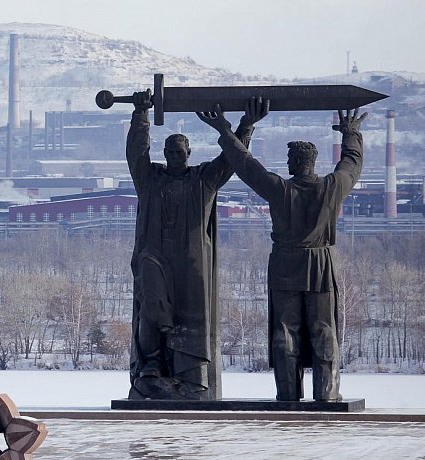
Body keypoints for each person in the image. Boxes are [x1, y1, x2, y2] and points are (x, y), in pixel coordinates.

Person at [198, 101, 367, 402]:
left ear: (297, 161)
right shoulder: (331, 187)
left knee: (285, 329)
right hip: (318, 263)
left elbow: (245, 164)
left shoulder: (280, 189)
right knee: (323, 328)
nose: (287, 163)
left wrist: (227, 129)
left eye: (290, 158)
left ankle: (288, 393)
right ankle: (326, 393)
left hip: (286, 263)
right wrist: (351, 134)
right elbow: (351, 164)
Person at [127, 92, 266, 400]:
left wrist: (244, 127)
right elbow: (135, 154)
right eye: (171, 151)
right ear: (163, 153)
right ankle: (150, 368)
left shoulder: (203, 179)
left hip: (190, 264)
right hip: (155, 257)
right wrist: (141, 117)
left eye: (180, 151)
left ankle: (189, 377)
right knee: (151, 307)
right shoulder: (149, 178)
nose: (176, 155)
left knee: (190, 318)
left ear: (188, 152)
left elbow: (232, 159)